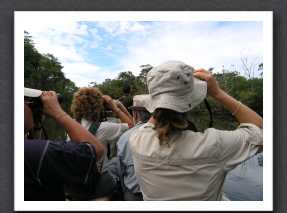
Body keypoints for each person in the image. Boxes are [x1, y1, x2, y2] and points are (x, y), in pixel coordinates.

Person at [129, 60, 263, 201]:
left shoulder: (137, 139)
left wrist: (163, 100)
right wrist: (217, 92)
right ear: (191, 103)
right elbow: (261, 129)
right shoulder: (215, 143)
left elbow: (155, 118)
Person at [24, 88, 105, 201]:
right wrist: (58, 112)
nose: (33, 108)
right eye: (29, 103)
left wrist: (37, 125)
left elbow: (32, 147)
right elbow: (95, 151)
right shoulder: (39, 152)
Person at [64, 87, 134, 200]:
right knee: (115, 162)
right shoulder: (104, 128)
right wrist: (116, 107)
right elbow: (131, 126)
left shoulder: (71, 125)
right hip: (98, 186)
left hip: (73, 185)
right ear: (98, 107)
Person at [109, 95, 151, 201]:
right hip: (160, 193)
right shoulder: (168, 134)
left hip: (135, 194)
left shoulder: (126, 137)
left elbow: (122, 171)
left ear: (135, 114)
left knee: (115, 163)